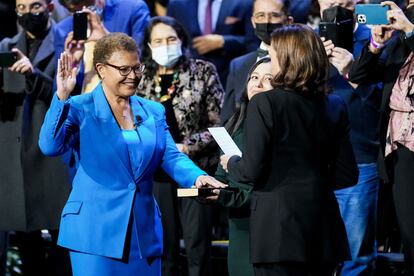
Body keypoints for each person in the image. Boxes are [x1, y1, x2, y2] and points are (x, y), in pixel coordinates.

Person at [38, 32, 224, 276]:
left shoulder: (153, 111)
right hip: (94, 233)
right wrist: (61, 97)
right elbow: (50, 146)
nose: (133, 76)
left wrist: (197, 177)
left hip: (142, 232)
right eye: (124, 69)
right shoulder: (79, 108)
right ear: (102, 69)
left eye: (137, 68)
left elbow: (171, 155)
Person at [220, 24, 359, 276]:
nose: (270, 63)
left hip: (278, 233)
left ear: (285, 60)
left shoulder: (265, 102)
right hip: (323, 231)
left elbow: (250, 171)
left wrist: (231, 162)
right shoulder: (335, 104)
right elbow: (347, 175)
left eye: (272, 57)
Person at [137, 16, 224, 276]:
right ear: (149, 45)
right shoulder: (139, 77)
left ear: (182, 40)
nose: (166, 45)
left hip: (195, 173)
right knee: (165, 247)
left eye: (171, 39)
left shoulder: (203, 70)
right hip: (156, 176)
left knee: (198, 247)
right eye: (158, 41)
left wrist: (186, 147)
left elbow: (220, 126)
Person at [0, 0, 72, 275]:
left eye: (34, 6)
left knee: (61, 236)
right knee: (25, 236)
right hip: (15, 151)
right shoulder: (6, 47)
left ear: (50, 6)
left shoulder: (66, 44)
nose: (27, 13)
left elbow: (69, 94)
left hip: (52, 146)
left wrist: (34, 73)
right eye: (20, 7)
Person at [348, 1, 414, 274]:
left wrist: (410, 31)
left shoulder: (409, 31)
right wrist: (377, 43)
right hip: (401, 149)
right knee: (410, 234)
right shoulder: (401, 38)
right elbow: (358, 75)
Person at [213, 57, 273, 276]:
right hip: (240, 227)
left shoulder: (281, 128)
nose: (257, 84)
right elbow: (223, 176)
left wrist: (225, 196)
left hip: (271, 228)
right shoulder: (234, 125)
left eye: (268, 79)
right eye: (254, 77)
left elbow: (266, 186)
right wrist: (210, 187)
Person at [54, 0, 150, 94]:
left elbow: (143, 61)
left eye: (86, 3)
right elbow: (58, 93)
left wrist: (108, 39)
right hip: (82, 105)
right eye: (73, 10)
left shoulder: (133, 9)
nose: (83, 9)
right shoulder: (62, 30)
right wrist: (72, 65)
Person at [221, 0, 292, 124]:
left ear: (288, 21)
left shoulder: (300, 62)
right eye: (261, 15)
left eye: (274, 15)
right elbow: (227, 118)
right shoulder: (238, 65)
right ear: (253, 22)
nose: (267, 21)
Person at [167, 0, 259, 86]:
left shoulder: (244, 3)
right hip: (187, 80)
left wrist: (224, 41)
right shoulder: (177, 3)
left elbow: (253, 42)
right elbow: (168, 38)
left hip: (230, 79)